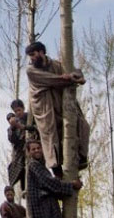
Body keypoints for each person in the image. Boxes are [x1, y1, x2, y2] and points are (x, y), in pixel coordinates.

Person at [25, 41, 89, 175]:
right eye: (30, 56)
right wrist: (68, 79)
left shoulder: (55, 64)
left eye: (33, 54)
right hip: (44, 107)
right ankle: (57, 169)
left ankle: (81, 157)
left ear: (41, 52)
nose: (31, 58)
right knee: (50, 136)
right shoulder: (31, 70)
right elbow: (51, 79)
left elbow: (74, 71)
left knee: (81, 125)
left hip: (60, 103)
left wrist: (78, 76)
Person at [7, 99, 28, 188]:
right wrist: (13, 127)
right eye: (16, 111)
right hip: (20, 154)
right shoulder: (12, 127)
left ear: (23, 108)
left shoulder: (29, 118)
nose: (18, 113)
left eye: (19, 110)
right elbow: (12, 139)